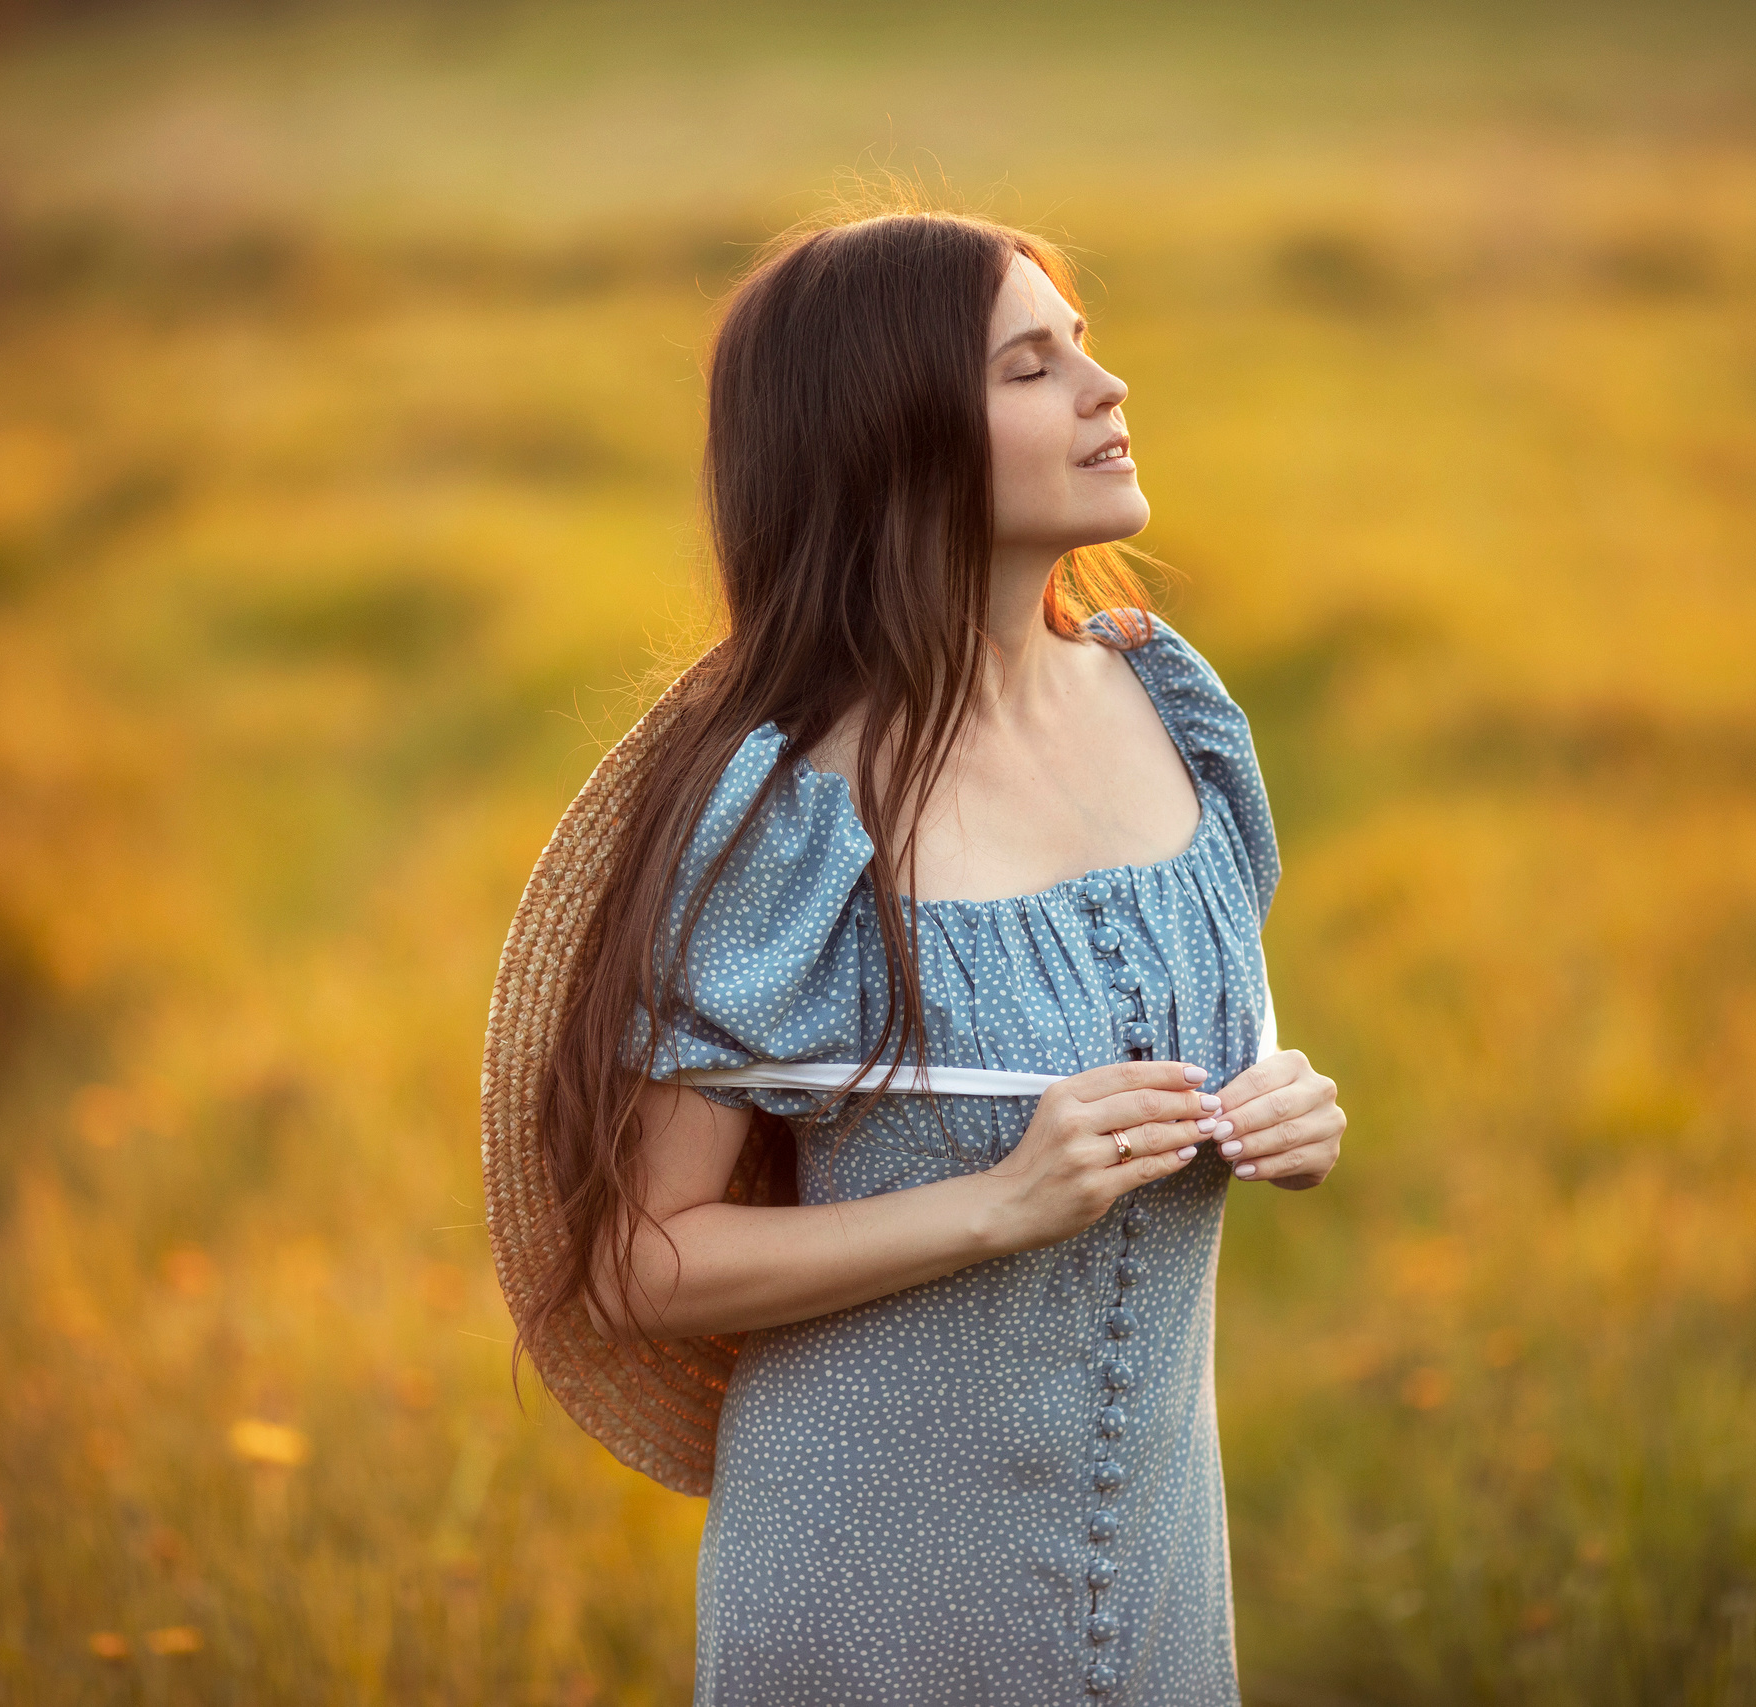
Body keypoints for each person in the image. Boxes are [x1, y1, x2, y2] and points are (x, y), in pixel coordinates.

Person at [484, 204, 1346, 1706]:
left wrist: (1287, 1099)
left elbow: (1203, 1006)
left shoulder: (1170, 705)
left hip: (1157, 1576)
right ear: (897, 435)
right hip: (870, 1597)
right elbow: (635, 1257)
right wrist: (999, 1205)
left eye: (1082, 344)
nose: (1107, 390)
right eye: (1034, 365)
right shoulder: (792, 817)